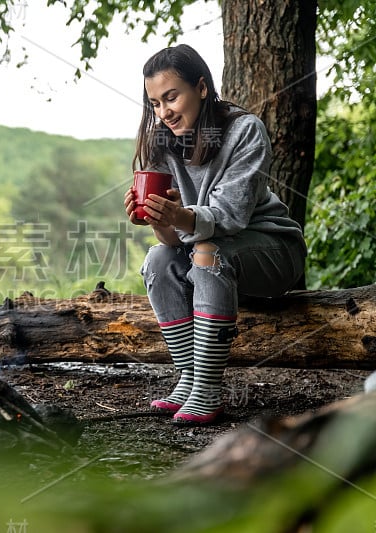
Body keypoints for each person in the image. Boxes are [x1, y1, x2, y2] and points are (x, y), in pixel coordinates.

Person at [123, 44, 307, 426]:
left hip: (272, 251)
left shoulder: (244, 131)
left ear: (202, 88)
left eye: (171, 97)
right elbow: (173, 242)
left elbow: (230, 217)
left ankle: (207, 389)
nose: (164, 112)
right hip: (204, 254)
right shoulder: (165, 142)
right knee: (157, 260)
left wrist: (181, 215)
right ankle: (189, 379)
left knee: (209, 251)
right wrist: (158, 219)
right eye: (155, 103)